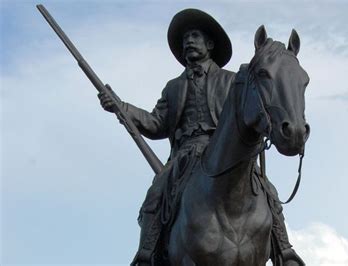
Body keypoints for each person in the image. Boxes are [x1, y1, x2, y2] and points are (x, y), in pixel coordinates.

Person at [98, 9, 304, 266]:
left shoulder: (232, 80)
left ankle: (285, 251)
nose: (188, 41)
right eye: (186, 38)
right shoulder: (173, 87)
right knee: (157, 191)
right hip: (186, 155)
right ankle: (146, 255)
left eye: (195, 36)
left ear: (209, 44)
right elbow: (156, 124)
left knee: (267, 190)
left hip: (223, 147)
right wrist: (121, 106)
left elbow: (253, 108)